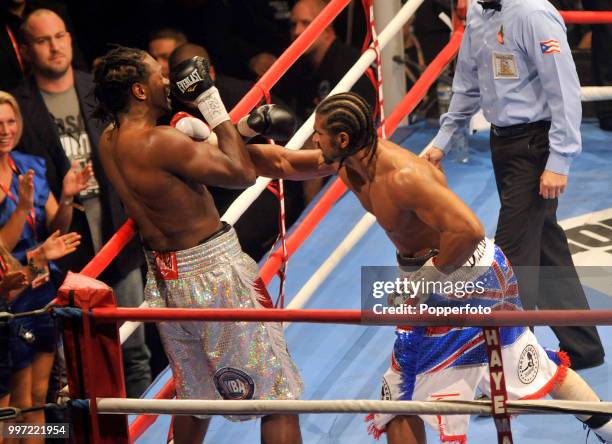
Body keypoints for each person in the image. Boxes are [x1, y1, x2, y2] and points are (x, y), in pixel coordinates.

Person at [243, 91, 612, 443]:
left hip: (468, 276)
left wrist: (423, 283)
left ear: (341, 138)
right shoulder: (345, 162)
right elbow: (282, 163)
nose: (311, 141)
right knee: (411, 394)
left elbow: (468, 230)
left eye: (318, 134)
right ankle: (608, 424)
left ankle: (607, 424)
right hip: (432, 277)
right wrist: (236, 133)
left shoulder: (404, 176)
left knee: (409, 394)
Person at [93, 47, 303, 444]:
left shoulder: (110, 140)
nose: (167, 82)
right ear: (139, 90)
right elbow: (241, 173)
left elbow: (194, 163)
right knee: (278, 395)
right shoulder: (160, 141)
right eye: (158, 75)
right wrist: (210, 99)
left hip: (168, 281)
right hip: (215, 274)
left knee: (196, 394)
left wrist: (239, 132)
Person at [424, 0, 605, 370]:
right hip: (502, 143)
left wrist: (559, 159)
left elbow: (565, 91)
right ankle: (584, 346)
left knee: (509, 260)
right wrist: (442, 139)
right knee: (544, 249)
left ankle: (513, 368)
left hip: (534, 146)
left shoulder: (532, 14)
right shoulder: (477, 12)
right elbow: (467, 82)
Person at [12, 8, 152, 396]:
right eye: (43, 40)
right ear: (26, 49)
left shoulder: (97, 88)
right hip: (61, 250)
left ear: (71, 39)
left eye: (60, 36)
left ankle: (145, 428)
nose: (55, 47)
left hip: (117, 235)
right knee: (68, 363)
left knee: (133, 350)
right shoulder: (17, 108)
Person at [168, 43, 306, 262]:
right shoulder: (169, 115)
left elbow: (297, 134)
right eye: (183, 81)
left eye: (195, 77)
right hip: (208, 198)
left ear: (209, 73)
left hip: (258, 186)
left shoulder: (242, 95)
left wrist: (311, 200)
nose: (189, 86)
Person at [0, 90, 85, 439]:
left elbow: (58, 227)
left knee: (38, 400)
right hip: (10, 295)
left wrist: (66, 197)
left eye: (10, 121)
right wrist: (20, 209)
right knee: (13, 404)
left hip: (41, 290)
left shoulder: (30, 165)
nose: (5, 130)